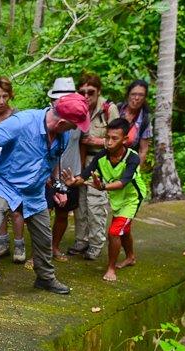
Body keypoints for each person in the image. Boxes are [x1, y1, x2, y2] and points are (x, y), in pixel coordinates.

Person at [0, 93, 89, 304]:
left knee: (44, 235)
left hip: (34, 190)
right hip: (5, 185)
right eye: (74, 125)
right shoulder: (22, 122)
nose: (76, 129)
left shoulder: (61, 134)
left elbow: (51, 160)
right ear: (63, 121)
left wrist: (57, 185)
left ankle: (45, 278)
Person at [64, 118, 147, 282]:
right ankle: (130, 257)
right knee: (124, 229)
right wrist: (74, 181)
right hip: (116, 198)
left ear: (125, 140)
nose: (109, 142)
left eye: (114, 138)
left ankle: (110, 268)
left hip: (132, 198)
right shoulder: (101, 156)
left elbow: (123, 182)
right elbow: (85, 175)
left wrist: (102, 187)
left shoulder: (132, 158)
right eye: (107, 137)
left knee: (114, 232)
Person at [68, 73, 119, 260]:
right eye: (82, 92)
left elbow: (121, 139)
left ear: (98, 92)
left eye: (91, 92)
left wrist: (97, 141)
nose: (87, 96)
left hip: (100, 162)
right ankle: (81, 240)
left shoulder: (108, 109)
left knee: (96, 204)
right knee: (79, 205)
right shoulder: (77, 108)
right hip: (80, 161)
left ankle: (96, 243)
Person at [0, 76, 27, 263]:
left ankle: (19, 244)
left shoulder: (17, 116)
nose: (1, 101)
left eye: (4, 96)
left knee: (16, 209)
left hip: (15, 166)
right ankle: (2, 242)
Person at [45, 77, 83, 262]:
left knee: (63, 213)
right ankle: (40, 253)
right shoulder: (46, 119)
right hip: (49, 174)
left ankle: (54, 247)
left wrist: (80, 172)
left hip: (70, 173)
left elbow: (82, 144)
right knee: (44, 213)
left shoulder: (79, 118)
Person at [117, 79, 153, 165]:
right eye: (133, 94)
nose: (136, 98)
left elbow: (143, 151)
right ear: (128, 95)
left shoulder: (145, 119)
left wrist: (135, 173)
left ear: (144, 98)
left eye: (141, 95)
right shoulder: (117, 109)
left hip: (127, 163)